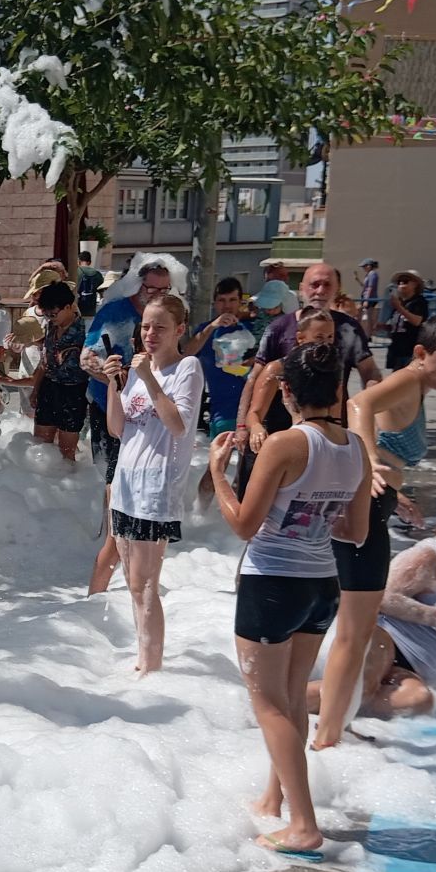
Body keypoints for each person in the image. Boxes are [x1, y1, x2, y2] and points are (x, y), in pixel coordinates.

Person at [211, 341, 372, 854]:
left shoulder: (285, 444)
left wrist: (217, 474)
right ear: (339, 388)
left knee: (269, 706)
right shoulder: (355, 448)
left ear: (286, 391)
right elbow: (355, 531)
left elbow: (243, 524)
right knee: (292, 695)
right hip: (322, 584)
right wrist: (316, 515)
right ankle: (274, 799)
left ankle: (304, 825)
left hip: (272, 584)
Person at [312, 314, 436, 748]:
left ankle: (329, 725)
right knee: (355, 627)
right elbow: (358, 405)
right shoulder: (408, 379)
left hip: (375, 505)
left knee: (355, 627)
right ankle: (307, 720)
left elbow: (386, 445)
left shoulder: (417, 387)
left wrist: (393, 492)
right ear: (421, 353)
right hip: (364, 508)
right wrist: (367, 461)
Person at [312, 507, 436, 730]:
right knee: (357, 691)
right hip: (386, 641)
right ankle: (284, 705)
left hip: (411, 668)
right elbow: (383, 598)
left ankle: (341, 712)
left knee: (419, 701)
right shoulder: (428, 557)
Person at [102, 294, 203, 675]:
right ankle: (143, 661)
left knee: (146, 584)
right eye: (145, 326)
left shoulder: (187, 368)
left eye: (160, 327)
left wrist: (147, 378)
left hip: (156, 488)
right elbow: (117, 429)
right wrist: (114, 384)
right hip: (126, 485)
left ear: (179, 330)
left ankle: (152, 667)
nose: (150, 334)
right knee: (132, 582)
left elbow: (178, 425)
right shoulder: (138, 371)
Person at [235, 263, 379, 496]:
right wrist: (243, 426)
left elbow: (369, 373)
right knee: (255, 497)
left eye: (327, 285)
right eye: (314, 284)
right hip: (274, 432)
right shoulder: (278, 331)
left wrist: (370, 415)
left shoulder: (347, 333)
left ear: (337, 289)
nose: (320, 290)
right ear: (302, 288)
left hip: (322, 438)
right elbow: (254, 381)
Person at [83, 259, 174, 593]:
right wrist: (116, 379)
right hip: (110, 404)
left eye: (164, 289)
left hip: (148, 413)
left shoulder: (169, 315)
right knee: (113, 479)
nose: (158, 295)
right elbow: (86, 358)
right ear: (138, 284)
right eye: (152, 288)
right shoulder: (116, 312)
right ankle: (109, 538)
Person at [193, 278, 258, 504]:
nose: (227, 306)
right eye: (222, 300)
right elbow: (186, 352)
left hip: (253, 410)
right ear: (215, 303)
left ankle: (234, 516)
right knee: (216, 467)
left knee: (248, 470)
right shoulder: (206, 331)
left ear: (240, 301)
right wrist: (213, 326)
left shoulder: (252, 329)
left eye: (232, 300)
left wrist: (251, 362)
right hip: (223, 410)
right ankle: (199, 514)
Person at [26, 280, 87, 460]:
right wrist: (35, 390)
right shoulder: (50, 327)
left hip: (73, 391)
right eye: (46, 314)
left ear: (68, 307)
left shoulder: (85, 331)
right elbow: (44, 361)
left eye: (53, 314)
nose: (50, 318)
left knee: (66, 451)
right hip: (49, 387)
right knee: (40, 447)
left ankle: (69, 476)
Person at [76, 253, 104, 318]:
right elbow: (102, 292)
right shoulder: (98, 274)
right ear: (90, 262)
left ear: (79, 261)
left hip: (77, 310)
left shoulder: (75, 272)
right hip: (91, 310)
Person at [358, 258, 382, 331]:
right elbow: (365, 287)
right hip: (366, 298)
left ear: (369, 266)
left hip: (370, 299)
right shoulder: (368, 274)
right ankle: (366, 331)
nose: (363, 268)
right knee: (364, 315)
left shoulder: (372, 274)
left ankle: (369, 332)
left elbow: (370, 287)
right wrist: (358, 280)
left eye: (364, 266)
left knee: (368, 317)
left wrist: (367, 300)